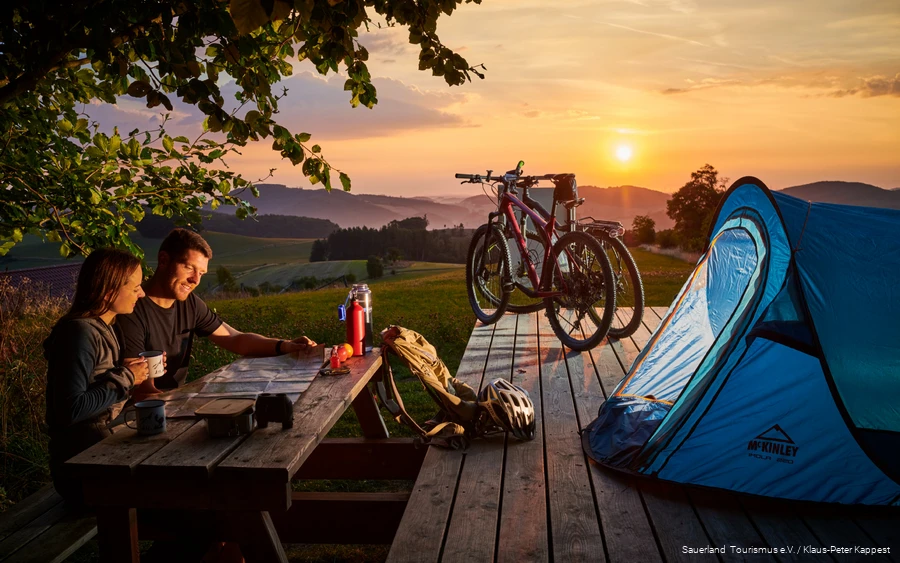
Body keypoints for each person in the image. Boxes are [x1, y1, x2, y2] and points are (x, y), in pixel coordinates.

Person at [116, 228, 316, 389]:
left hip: (173, 404)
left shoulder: (190, 304)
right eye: (189, 268)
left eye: (201, 273)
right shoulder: (131, 309)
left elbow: (235, 339)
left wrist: (286, 346)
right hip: (139, 416)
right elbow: (139, 391)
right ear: (163, 260)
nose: (195, 280)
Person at [45, 248, 150, 507]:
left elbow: (96, 383)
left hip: (97, 453)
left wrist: (122, 373)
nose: (142, 293)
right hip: (82, 470)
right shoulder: (80, 333)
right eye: (135, 287)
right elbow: (70, 409)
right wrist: (126, 378)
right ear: (109, 289)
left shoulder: (105, 327)